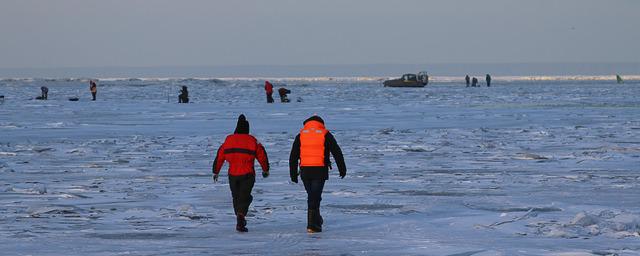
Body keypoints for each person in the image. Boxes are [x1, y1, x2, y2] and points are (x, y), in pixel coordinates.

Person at [212, 114, 270, 232]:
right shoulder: (252, 140)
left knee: (236, 197)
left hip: (233, 174)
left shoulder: (228, 140)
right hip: (247, 174)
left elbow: (220, 156)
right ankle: (241, 216)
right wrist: (265, 169)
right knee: (245, 197)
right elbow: (262, 155)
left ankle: (239, 217)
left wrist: (215, 171)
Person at [289, 115, 347, 233]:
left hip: (305, 170)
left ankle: (316, 220)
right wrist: (342, 168)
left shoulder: (301, 135)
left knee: (312, 195)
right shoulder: (325, 134)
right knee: (314, 196)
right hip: (319, 170)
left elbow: (293, 156)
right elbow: (337, 151)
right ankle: (312, 225)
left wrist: (293, 174)